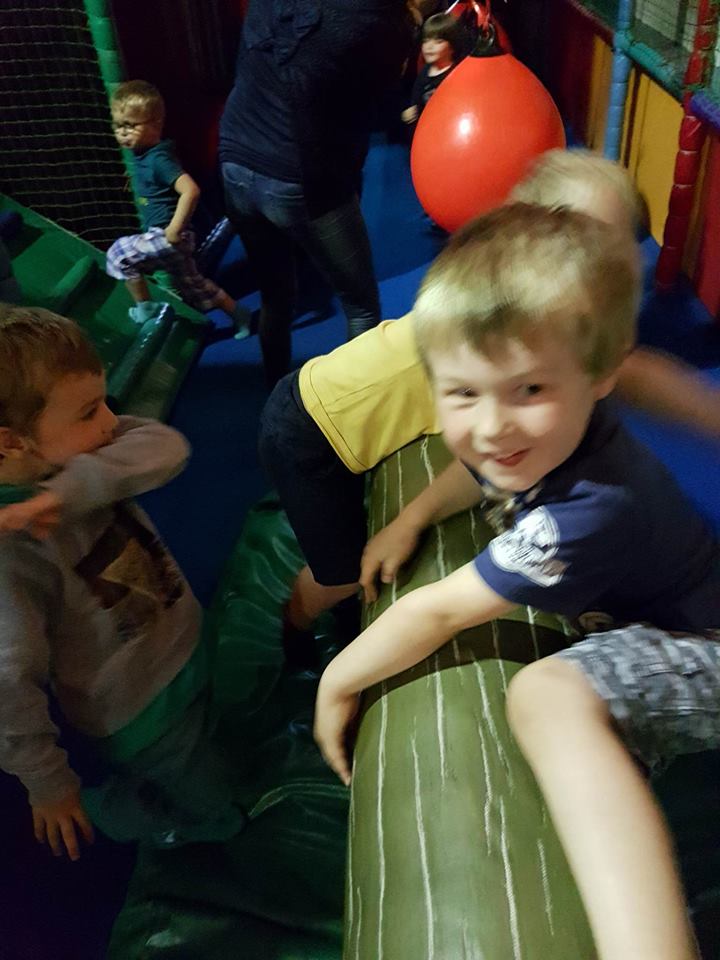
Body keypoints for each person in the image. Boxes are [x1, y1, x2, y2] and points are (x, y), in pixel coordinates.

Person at [313, 204, 717, 960]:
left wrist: (338, 680)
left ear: (600, 375)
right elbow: (482, 470)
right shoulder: (544, 436)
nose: (492, 425)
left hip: (704, 646)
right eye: (463, 393)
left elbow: (437, 614)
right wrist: (411, 518)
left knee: (548, 696)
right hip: (671, 596)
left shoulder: (590, 511)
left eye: (528, 390)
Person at [259, 149, 720, 659]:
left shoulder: (543, 333)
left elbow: (637, 377)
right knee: (341, 575)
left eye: (615, 249)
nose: (602, 269)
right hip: (308, 429)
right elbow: (641, 378)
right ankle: (293, 630)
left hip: (327, 411)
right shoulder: (497, 336)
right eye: (578, 245)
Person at [0, 305, 244, 859]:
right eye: (90, 412)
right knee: (211, 803)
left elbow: (165, 446)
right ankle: (126, 813)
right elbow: (8, 682)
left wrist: (67, 492)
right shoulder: (11, 553)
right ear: (11, 442)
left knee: (219, 738)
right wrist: (49, 785)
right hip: (139, 714)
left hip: (186, 640)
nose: (111, 422)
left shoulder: (80, 460)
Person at [219, 0, 413, 387]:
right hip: (301, 175)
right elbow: (387, 105)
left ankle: (276, 395)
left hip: (235, 157)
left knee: (275, 296)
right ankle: (353, 408)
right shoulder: (377, 17)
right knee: (361, 307)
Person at [106, 81, 250, 334]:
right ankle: (239, 313)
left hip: (168, 234)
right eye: (118, 126)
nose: (123, 133)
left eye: (131, 125)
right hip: (172, 239)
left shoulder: (159, 159)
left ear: (156, 124)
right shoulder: (143, 156)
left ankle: (145, 308)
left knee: (119, 255)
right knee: (197, 288)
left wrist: (174, 228)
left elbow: (190, 190)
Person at [401, 13, 463, 127]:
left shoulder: (457, 76)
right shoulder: (425, 71)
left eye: (438, 41)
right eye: (426, 41)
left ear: (452, 47)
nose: (429, 47)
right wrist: (410, 112)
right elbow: (416, 101)